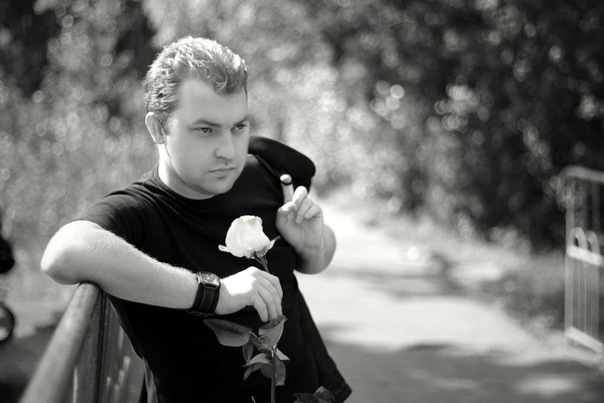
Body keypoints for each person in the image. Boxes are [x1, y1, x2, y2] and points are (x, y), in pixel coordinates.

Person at [41, 37, 351, 403]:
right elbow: (63, 254)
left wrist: (312, 244)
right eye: (205, 130)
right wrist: (213, 294)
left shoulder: (267, 172)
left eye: (239, 127)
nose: (229, 151)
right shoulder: (142, 210)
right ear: (158, 128)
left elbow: (317, 259)